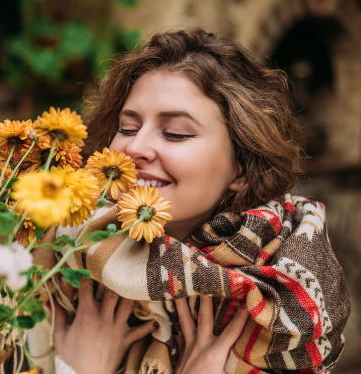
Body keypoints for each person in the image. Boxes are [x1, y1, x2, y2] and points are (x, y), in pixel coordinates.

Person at [28, 28, 349, 374]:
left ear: (242, 167)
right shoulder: (63, 260)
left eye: (175, 133)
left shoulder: (282, 300)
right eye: (128, 127)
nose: (134, 148)